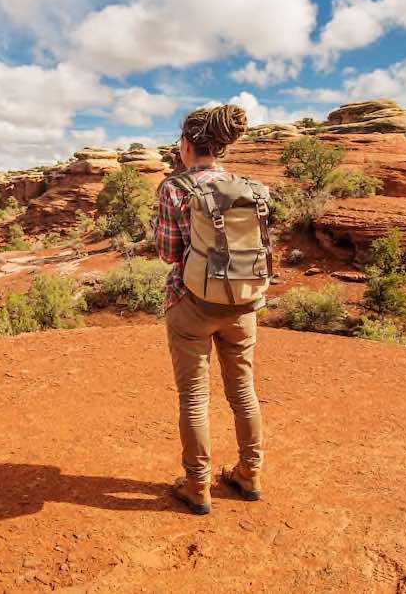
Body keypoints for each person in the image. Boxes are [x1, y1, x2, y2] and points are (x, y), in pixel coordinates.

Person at [153, 104, 265, 515]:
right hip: (242, 303)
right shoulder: (245, 186)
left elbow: (168, 253)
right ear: (220, 147)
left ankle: (197, 485)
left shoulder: (173, 188)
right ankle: (249, 474)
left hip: (191, 304)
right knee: (243, 392)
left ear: (186, 145)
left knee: (195, 397)